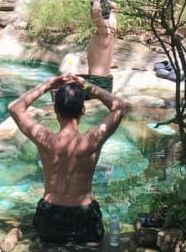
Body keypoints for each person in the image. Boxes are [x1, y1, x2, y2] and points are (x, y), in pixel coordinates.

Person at [8, 73, 126, 245]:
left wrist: (48, 84)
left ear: (56, 110)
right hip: (85, 221)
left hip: (50, 221)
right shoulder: (92, 139)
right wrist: (87, 86)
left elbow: (15, 108)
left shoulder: (45, 139)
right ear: (83, 110)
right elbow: (119, 108)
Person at [80, 0, 118, 94]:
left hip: (97, 82)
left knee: (62, 89)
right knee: (73, 80)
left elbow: (96, 15)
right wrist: (111, 5)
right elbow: (114, 9)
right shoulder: (112, 28)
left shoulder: (104, 33)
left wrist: (96, 2)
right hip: (105, 80)